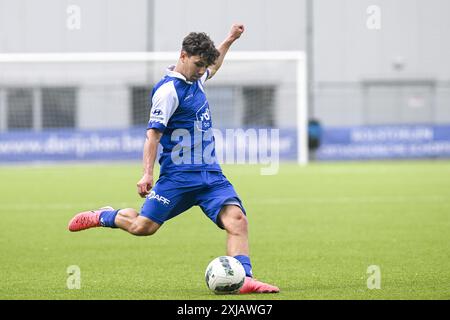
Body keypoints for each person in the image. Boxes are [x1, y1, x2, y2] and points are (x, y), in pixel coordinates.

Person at [68, 24, 279, 294]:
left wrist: (230, 39)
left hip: (210, 176)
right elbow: (152, 137)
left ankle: (244, 278)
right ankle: (104, 215)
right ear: (183, 56)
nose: (203, 70)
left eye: (205, 65)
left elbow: (217, 62)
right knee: (142, 227)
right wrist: (147, 174)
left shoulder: (197, 78)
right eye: (198, 64)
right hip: (177, 178)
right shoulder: (168, 92)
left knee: (237, 219)